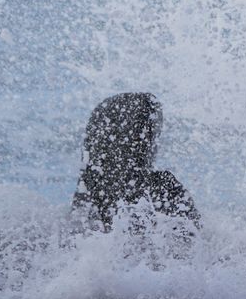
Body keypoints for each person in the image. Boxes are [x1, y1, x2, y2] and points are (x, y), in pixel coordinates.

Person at [72, 92, 200, 231]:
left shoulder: (87, 195)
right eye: (154, 135)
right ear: (144, 143)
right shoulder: (164, 190)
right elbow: (199, 242)